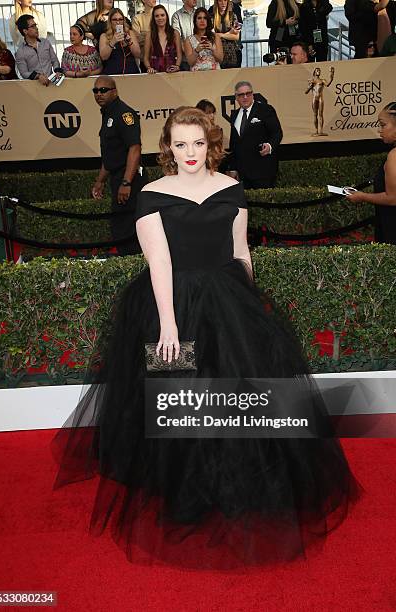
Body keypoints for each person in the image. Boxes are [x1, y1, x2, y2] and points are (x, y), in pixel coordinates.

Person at [53, 105, 361, 569]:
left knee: (240, 401)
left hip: (229, 302)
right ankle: (185, 492)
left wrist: (252, 308)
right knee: (180, 404)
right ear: (168, 147)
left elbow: (241, 252)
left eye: (198, 142)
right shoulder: (152, 193)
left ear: (210, 143)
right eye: (180, 144)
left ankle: (238, 486)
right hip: (171, 307)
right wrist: (169, 324)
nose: (190, 152)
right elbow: (158, 262)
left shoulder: (232, 189)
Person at [91, 75, 143, 255]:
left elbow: (134, 149)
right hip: (117, 178)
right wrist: (100, 181)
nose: (99, 94)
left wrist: (126, 182)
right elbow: (111, 155)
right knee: (120, 226)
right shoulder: (107, 114)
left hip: (128, 179)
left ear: (114, 91)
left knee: (127, 229)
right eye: (95, 91)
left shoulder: (124, 114)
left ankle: (133, 267)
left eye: (103, 90)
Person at [346, 102, 396, 245]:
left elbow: (393, 198)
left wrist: (362, 196)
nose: (380, 130)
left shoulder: (394, 155)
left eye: (383, 125)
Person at [227, 81, 283, 189]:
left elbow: (277, 133)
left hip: (263, 170)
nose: (245, 97)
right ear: (236, 97)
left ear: (252, 94)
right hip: (243, 173)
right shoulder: (234, 115)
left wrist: (270, 146)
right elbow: (234, 143)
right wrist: (233, 168)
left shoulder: (265, 110)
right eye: (241, 95)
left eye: (248, 93)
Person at [15, 14, 59, 85]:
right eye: (33, 26)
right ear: (25, 31)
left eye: (35, 25)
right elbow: (23, 73)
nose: (36, 28)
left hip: (52, 83)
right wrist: (38, 76)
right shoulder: (20, 51)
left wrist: (57, 70)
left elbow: (54, 60)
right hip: (35, 87)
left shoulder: (46, 42)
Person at [100, 8, 141, 75]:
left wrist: (129, 42)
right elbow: (103, 57)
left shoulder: (130, 33)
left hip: (131, 72)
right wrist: (113, 41)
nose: (118, 22)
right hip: (112, 73)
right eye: (114, 19)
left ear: (123, 21)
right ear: (110, 21)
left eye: (120, 19)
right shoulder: (104, 36)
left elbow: (138, 54)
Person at [144, 5, 182, 73]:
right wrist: (149, 68)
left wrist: (177, 66)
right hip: (155, 74)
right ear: (154, 18)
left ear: (166, 16)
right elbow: (146, 58)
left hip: (172, 73)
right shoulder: (149, 35)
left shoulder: (175, 33)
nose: (160, 18)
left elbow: (179, 55)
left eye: (162, 15)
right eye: (157, 16)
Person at [209, 0, 241, 69]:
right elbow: (212, 36)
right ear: (217, 2)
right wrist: (229, 33)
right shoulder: (212, 17)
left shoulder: (232, 16)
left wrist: (220, 35)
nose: (223, 3)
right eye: (220, 1)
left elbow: (236, 37)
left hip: (233, 53)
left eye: (225, 0)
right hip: (218, 54)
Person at [304, 66, 335, 136]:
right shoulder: (312, 81)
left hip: (320, 98)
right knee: (315, 115)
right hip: (314, 98)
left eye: (319, 70)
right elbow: (306, 92)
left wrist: (332, 76)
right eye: (317, 70)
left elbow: (328, 84)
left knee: (321, 114)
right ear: (314, 72)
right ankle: (316, 131)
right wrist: (309, 87)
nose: (319, 71)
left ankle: (321, 131)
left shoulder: (322, 80)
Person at [171, 0, 197, 70]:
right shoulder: (176, 16)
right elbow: (177, 38)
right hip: (185, 60)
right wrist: (190, 54)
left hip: (200, 59)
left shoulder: (199, 14)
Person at [132, 0, 156, 71]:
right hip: (145, 61)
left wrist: (144, 35)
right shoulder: (137, 18)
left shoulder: (160, 16)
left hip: (163, 59)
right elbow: (137, 39)